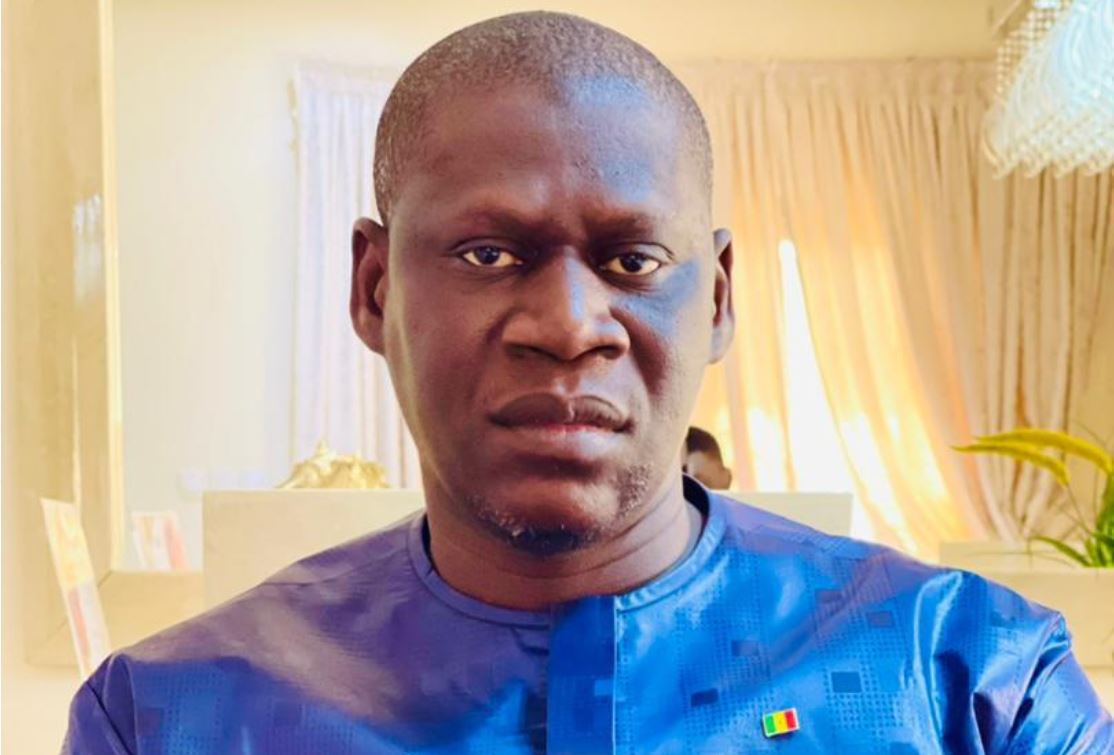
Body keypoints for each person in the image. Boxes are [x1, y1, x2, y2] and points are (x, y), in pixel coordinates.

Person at [63, 12, 1111, 754]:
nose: (568, 326)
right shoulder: (171, 715)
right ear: (375, 288)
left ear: (717, 300)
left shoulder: (976, 682)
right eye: (487, 253)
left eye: (632, 260)